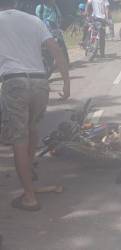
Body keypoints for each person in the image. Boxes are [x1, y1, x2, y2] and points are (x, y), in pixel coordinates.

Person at [0, 0, 70, 211]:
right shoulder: (34, 20)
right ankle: (28, 170)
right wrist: (66, 83)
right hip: (40, 82)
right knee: (32, 129)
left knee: (18, 139)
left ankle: (29, 197)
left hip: (15, 82)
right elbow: (56, 50)